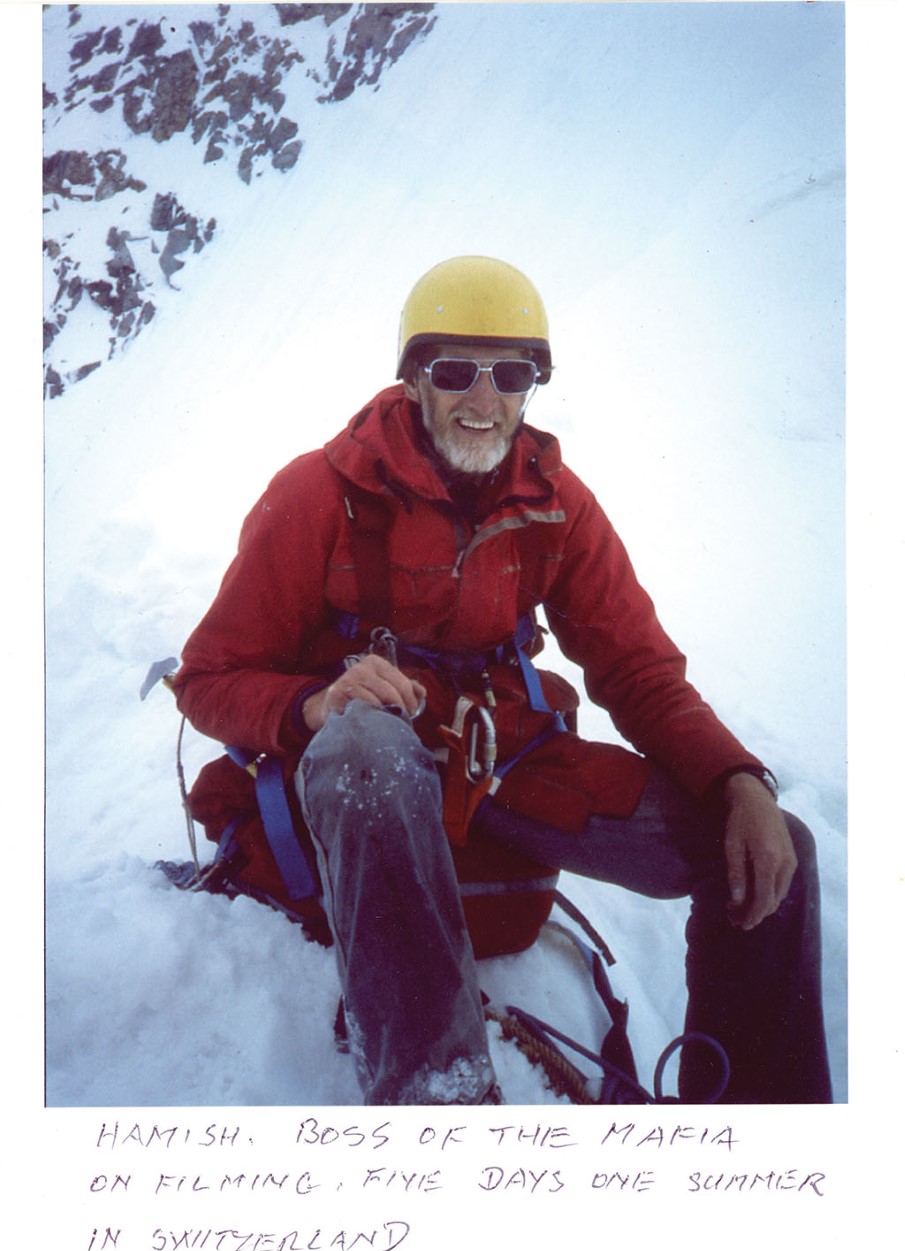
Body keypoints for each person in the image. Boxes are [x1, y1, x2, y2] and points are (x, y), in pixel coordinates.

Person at [173, 255, 832, 1106]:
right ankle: (437, 1099)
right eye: (454, 371)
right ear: (413, 380)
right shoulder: (317, 496)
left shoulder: (555, 505)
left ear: (532, 388)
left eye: (510, 375)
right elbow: (209, 677)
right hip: (354, 778)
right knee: (367, 744)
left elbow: (636, 668)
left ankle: (762, 1131)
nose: (482, 401)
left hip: (499, 762)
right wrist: (315, 702)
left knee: (772, 846)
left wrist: (738, 779)